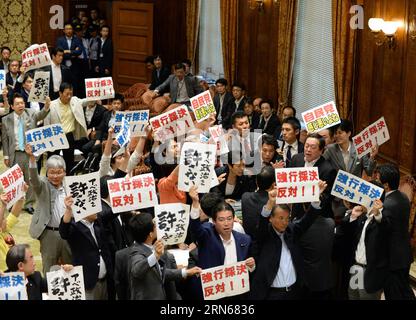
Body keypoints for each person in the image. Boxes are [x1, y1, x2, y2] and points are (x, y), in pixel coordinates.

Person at [250, 181, 327, 300]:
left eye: (287, 218)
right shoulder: (265, 234)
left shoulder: (291, 230)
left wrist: (316, 197)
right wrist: (270, 203)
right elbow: (261, 225)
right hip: (272, 294)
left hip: (294, 292)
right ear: (271, 218)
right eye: (281, 218)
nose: (285, 222)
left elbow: (307, 220)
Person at [189, 186, 255, 299]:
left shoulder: (245, 240)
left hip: (237, 294)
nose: (226, 223)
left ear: (234, 218)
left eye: (229, 219)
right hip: (214, 294)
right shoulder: (207, 235)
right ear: (214, 221)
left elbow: (250, 268)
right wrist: (195, 203)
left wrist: (252, 265)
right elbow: (195, 228)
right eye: (221, 219)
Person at [129, 212, 202, 300]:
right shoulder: (137, 251)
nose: (157, 226)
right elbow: (137, 270)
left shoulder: (151, 246)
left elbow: (160, 273)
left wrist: (186, 272)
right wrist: (155, 255)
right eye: (154, 225)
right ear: (150, 234)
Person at [26, 145, 72, 275]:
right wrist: (32, 158)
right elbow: (34, 179)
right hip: (49, 234)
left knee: (70, 266)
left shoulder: (71, 186)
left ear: (65, 172)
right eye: (51, 172)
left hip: (68, 233)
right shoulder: (42, 186)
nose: (55, 176)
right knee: (49, 268)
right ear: (47, 173)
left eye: (59, 172)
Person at [60, 195, 116, 300]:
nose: (98, 209)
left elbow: (111, 213)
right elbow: (64, 231)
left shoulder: (97, 222)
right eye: (93, 206)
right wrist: (68, 209)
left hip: (105, 281)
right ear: (83, 208)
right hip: (88, 283)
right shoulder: (74, 226)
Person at [2, 94, 50, 213]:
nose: (21, 106)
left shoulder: (31, 114)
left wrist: (47, 105)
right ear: (12, 106)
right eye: (17, 104)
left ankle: (29, 204)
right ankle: (14, 203)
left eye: (22, 103)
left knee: (30, 179)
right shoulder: (6, 119)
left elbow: (42, 114)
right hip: (15, 153)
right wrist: (6, 156)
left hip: (29, 153)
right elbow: (5, 139)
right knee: (16, 180)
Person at [338, 190, 390, 300]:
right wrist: (352, 216)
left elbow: (386, 230)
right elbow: (344, 232)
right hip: (355, 268)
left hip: (370, 273)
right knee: (352, 296)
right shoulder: (362, 216)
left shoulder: (383, 218)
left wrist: (378, 213)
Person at [374, 163, 415, 300]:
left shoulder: (388, 205)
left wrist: (378, 214)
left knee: (394, 293)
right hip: (404, 255)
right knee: (404, 290)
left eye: (378, 179)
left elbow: (382, 230)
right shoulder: (402, 197)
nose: (376, 181)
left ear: (385, 185)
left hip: (393, 260)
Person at [323, 119, 378, 219]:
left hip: (355, 196)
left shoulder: (359, 149)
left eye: (340, 132)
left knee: (353, 222)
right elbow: (321, 165)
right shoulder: (330, 149)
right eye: (335, 133)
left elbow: (369, 171)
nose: (337, 136)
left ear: (349, 133)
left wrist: (372, 157)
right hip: (337, 197)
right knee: (339, 222)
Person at [288, 133, 336, 219]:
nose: (308, 150)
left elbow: (327, 198)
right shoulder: (296, 159)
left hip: (316, 216)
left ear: (321, 151)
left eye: (313, 147)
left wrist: (318, 192)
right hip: (297, 212)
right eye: (306, 146)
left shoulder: (328, 170)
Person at [43, 82, 88, 174]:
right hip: (55, 136)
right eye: (67, 94)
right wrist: (47, 140)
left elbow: (87, 101)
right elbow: (46, 124)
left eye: (71, 94)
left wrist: (96, 95)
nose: (69, 96)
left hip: (68, 136)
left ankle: (68, 181)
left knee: (69, 162)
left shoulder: (74, 101)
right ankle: (49, 182)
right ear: (60, 93)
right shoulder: (52, 105)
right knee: (52, 160)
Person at [5, 244, 73, 300]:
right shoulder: (3, 286)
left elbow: (57, 285)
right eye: (31, 258)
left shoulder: (35, 277)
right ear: (21, 265)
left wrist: (68, 273)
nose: (34, 263)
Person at [241, 165, 275, 240]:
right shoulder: (274, 204)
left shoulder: (245, 197)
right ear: (273, 184)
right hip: (266, 242)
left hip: (247, 241)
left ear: (256, 182)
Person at [0, 185, 27, 271]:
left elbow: (14, 213)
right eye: (3, 218)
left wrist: (21, 195)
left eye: (4, 218)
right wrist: (3, 206)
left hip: (12, 270)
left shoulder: (5, 230)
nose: (5, 220)